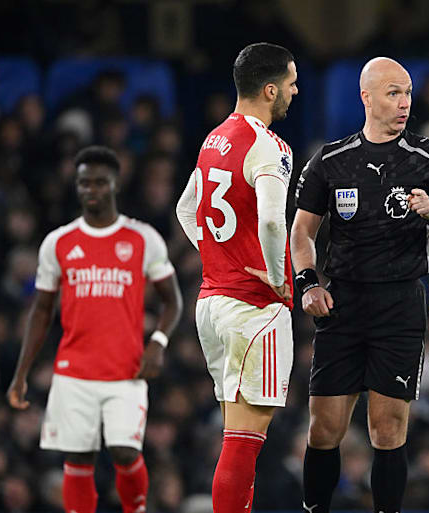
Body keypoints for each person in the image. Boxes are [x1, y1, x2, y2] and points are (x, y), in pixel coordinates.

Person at [293, 57, 429, 513]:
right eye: (393, 93)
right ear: (366, 97)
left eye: (407, 92)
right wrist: (308, 284)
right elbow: (302, 232)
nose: (404, 102)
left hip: (400, 304)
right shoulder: (331, 160)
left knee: (388, 431)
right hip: (342, 304)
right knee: (323, 429)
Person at [6, 145, 182, 513]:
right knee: (78, 458)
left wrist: (158, 343)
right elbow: (41, 312)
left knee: (124, 450)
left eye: (100, 183)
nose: (92, 190)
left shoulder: (142, 238)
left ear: (115, 185)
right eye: (85, 183)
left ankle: (135, 508)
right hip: (74, 369)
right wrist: (21, 373)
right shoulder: (58, 242)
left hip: (126, 369)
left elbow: (173, 301)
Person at [174, 42, 298, 513]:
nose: (295, 90)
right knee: (244, 442)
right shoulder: (269, 146)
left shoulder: (214, 139)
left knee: (235, 435)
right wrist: (277, 277)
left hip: (212, 303)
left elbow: (186, 209)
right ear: (270, 90)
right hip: (253, 308)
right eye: (289, 83)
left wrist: (218, 256)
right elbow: (271, 220)